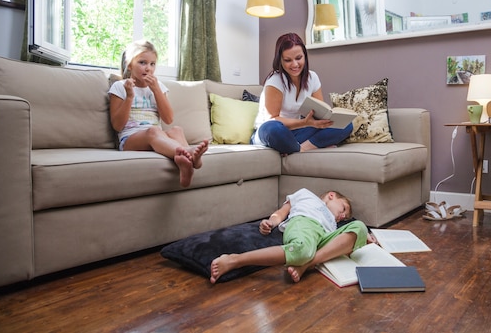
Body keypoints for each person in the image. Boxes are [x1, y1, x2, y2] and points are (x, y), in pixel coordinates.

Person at [210, 188, 370, 284]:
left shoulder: (334, 223)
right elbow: (281, 212)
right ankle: (235, 260)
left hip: (321, 238)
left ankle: (306, 264)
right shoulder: (307, 195)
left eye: (344, 217)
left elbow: (346, 237)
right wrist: (271, 222)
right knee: (302, 249)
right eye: (343, 209)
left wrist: (363, 236)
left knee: (360, 227)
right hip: (304, 224)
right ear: (331, 195)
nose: (342, 216)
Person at [108, 39, 208, 188]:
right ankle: (191, 155)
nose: (148, 68)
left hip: (157, 136)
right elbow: (117, 125)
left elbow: (168, 119)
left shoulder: (158, 86)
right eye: (142, 62)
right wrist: (129, 96)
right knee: (153, 131)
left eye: (152, 64)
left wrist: (156, 90)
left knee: (176, 130)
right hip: (130, 139)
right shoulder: (120, 86)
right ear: (130, 65)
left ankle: (185, 163)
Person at [251, 32, 353, 155]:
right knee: (274, 129)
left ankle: (300, 148)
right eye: (288, 60)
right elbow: (272, 118)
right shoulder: (275, 80)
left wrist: (327, 120)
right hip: (268, 132)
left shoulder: (312, 77)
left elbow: (320, 111)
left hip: (297, 131)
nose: (295, 64)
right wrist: (304, 123)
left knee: (346, 125)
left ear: (305, 56)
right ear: (280, 60)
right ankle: (302, 146)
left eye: (298, 58)